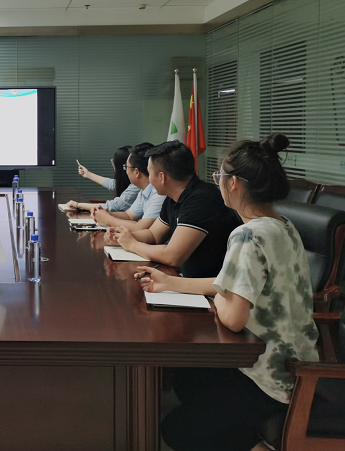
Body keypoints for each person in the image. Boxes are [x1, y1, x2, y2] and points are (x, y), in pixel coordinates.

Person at [134, 134, 319, 451]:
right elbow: (232, 284)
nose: (217, 181)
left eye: (219, 175)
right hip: (295, 362)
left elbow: (233, 317)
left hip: (268, 374)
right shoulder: (282, 225)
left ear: (233, 183)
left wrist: (217, 298)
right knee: (188, 381)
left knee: (176, 430)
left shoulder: (247, 235)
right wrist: (171, 283)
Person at [107, 140, 241, 278]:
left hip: (209, 286)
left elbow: (172, 256)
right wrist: (123, 236)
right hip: (187, 279)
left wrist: (132, 245)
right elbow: (153, 235)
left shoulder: (202, 200)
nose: (149, 179)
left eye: (150, 173)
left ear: (162, 177)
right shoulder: (173, 197)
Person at [94, 142, 165, 232]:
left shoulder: (159, 193)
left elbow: (141, 228)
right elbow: (128, 215)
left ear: (136, 172)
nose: (126, 171)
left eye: (126, 167)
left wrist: (107, 219)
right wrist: (103, 214)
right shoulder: (144, 190)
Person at [65, 146, 139, 213]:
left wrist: (77, 205)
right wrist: (87, 174)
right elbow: (113, 184)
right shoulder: (130, 182)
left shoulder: (136, 186)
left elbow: (114, 206)